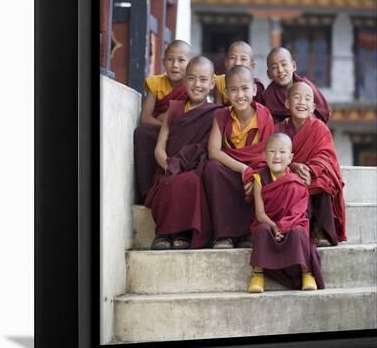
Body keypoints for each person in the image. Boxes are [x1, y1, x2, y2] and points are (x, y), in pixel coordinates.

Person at [145, 56, 220, 250]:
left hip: (195, 170)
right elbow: (159, 148)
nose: (197, 85)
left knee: (191, 181)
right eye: (192, 78)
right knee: (170, 181)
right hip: (169, 167)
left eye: (203, 80)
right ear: (185, 80)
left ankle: (183, 232)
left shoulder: (216, 114)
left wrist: (183, 167)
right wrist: (169, 166)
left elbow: (208, 148)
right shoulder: (174, 109)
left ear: (212, 83)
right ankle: (164, 232)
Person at [203, 65, 274, 249]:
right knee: (211, 168)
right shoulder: (221, 115)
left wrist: (254, 174)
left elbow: (269, 154)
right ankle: (224, 235)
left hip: (255, 173)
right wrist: (243, 169)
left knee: (266, 176)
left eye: (245, 89)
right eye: (234, 90)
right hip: (233, 172)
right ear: (226, 92)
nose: (240, 95)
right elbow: (214, 151)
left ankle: (248, 233)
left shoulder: (264, 116)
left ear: (254, 90)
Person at [248, 133, 324, 293]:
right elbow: (260, 213)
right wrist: (274, 227)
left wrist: (282, 227)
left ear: (290, 158)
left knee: (299, 232)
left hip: (292, 224)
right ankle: (258, 274)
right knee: (261, 229)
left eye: (282, 152)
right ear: (264, 155)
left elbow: (299, 213)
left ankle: (306, 273)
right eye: (272, 151)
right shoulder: (259, 178)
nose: (276, 156)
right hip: (268, 224)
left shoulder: (297, 181)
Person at [275, 81, 346, 245]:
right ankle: (292, 227)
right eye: (297, 97)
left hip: (312, 174)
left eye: (307, 99)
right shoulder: (278, 130)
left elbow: (327, 157)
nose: (302, 102)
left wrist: (310, 170)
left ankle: (320, 228)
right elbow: (271, 156)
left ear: (313, 107)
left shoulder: (320, 128)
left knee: (324, 181)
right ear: (287, 103)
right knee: (288, 182)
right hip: (288, 174)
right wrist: (292, 166)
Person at [134, 40, 192, 201]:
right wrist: (165, 124)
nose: (174, 65)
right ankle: (146, 192)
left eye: (181, 60)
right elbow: (145, 118)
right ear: (163, 62)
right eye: (170, 59)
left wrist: (172, 123)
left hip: (181, 131)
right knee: (142, 133)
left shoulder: (192, 84)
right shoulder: (156, 83)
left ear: (190, 63)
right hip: (160, 129)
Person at [263, 46, 331, 123]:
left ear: (293, 66)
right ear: (269, 74)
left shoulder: (307, 87)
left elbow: (323, 113)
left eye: (284, 64)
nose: (280, 70)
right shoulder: (268, 96)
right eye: (274, 67)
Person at [214, 41, 265, 106]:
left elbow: (259, 110)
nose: (237, 63)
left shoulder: (256, 85)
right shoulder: (219, 81)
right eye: (232, 58)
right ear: (226, 63)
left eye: (243, 59)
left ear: (252, 66)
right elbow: (217, 109)